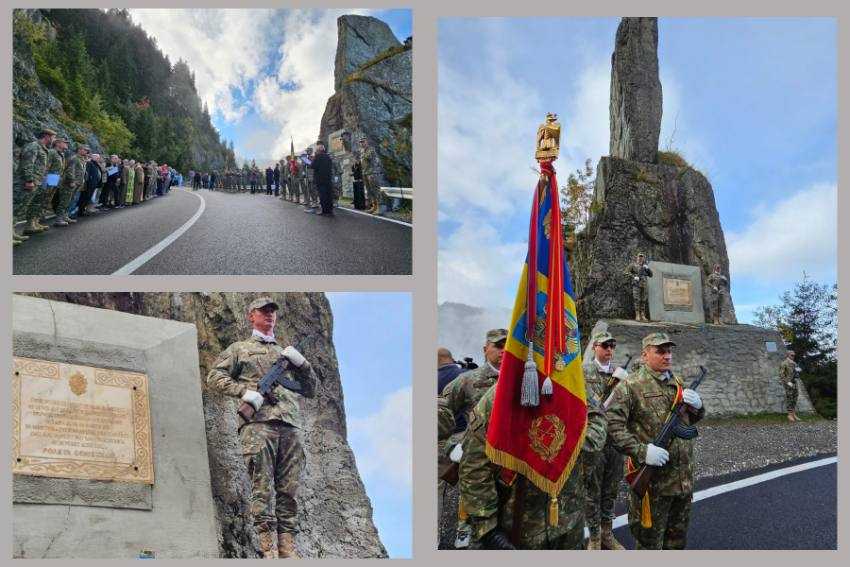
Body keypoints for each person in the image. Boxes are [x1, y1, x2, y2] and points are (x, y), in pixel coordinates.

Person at [205, 297, 317, 558]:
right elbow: (214, 377)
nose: (269, 316)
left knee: (289, 489)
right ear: (251, 316)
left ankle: (288, 547)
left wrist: (303, 365)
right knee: (262, 487)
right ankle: (269, 548)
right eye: (263, 311)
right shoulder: (239, 349)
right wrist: (244, 391)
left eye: (272, 312)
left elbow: (310, 389)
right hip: (258, 425)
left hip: (290, 425)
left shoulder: (285, 354)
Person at [459, 362, 605, 549]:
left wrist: (560, 446)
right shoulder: (500, 396)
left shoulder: (577, 391)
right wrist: (487, 528)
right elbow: (474, 465)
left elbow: (597, 425)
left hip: (569, 521)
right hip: (516, 527)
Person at [606, 332, 705, 550]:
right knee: (649, 545)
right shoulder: (630, 386)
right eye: (660, 351)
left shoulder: (676, 382)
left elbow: (689, 421)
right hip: (654, 484)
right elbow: (612, 426)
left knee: (676, 542)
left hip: (682, 480)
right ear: (644, 355)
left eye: (669, 351)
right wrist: (641, 451)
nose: (667, 356)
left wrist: (699, 407)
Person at [439, 329, 506, 548]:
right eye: (498, 345)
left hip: (513, 467)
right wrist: (452, 444)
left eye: (508, 345)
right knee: (475, 533)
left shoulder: (526, 381)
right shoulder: (468, 380)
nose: (504, 350)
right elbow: (440, 410)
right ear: (485, 349)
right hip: (478, 466)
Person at [582, 331, 629, 550]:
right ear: (594, 347)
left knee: (610, 491)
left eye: (612, 346)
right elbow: (586, 406)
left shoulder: (620, 373)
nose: (609, 350)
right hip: (593, 442)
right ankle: (594, 538)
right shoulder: (583, 372)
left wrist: (625, 386)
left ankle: (607, 534)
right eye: (604, 346)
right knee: (593, 491)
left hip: (614, 441)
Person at [14, 128, 56, 244]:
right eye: (53, 137)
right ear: (47, 136)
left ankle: (13, 231)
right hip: (25, 182)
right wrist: (29, 180)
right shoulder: (34, 146)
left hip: (36, 182)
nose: (54, 139)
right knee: (15, 206)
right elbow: (27, 164)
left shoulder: (43, 148)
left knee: (20, 207)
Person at [54, 144, 89, 226]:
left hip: (77, 184)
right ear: (79, 150)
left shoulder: (81, 159)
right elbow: (70, 171)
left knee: (70, 201)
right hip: (69, 184)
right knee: (64, 201)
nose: (86, 151)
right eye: (84, 149)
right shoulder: (74, 158)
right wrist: (72, 181)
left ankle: (65, 216)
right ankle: (59, 219)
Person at [625, 253, 653, 322]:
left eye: (642, 257)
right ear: (637, 257)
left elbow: (651, 275)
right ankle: (637, 315)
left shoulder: (645, 266)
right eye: (639, 257)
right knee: (636, 299)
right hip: (636, 284)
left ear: (643, 258)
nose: (640, 258)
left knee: (643, 300)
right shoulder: (633, 265)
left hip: (644, 285)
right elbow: (626, 272)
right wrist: (634, 277)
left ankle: (643, 315)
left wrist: (648, 268)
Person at [358, 137, 383, 214]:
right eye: (361, 142)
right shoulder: (362, 151)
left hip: (372, 173)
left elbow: (368, 157)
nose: (362, 143)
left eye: (363, 142)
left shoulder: (371, 150)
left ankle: (380, 208)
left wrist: (363, 154)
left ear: (367, 142)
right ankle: (374, 207)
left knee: (375, 190)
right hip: (365, 173)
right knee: (369, 191)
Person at [310, 141, 334, 216]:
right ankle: (330, 211)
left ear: (318, 150)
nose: (316, 151)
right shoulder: (328, 156)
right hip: (328, 179)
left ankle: (324, 211)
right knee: (329, 195)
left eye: (316, 150)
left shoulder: (317, 156)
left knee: (322, 196)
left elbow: (312, 166)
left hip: (320, 180)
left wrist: (313, 159)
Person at [79, 152, 103, 217]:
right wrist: (88, 182)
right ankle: (81, 211)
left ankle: (84, 210)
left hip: (94, 184)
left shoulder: (96, 164)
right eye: (97, 158)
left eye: (99, 158)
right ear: (93, 157)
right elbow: (87, 174)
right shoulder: (90, 163)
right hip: (89, 184)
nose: (99, 159)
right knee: (85, 198)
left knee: (89, 198)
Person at [779, 351, 801, 422]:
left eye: (794, 355)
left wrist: (798, 372)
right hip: (788, 383)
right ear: (788, 355)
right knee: (790, 397)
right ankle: (789, 414)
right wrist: (787, 382)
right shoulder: (784, 363)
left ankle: (793, 413)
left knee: (795, 396)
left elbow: (797, 372)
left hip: (794, 382)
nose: (793, 356)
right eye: (792, 355)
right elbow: (781, 375)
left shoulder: (794, 363)